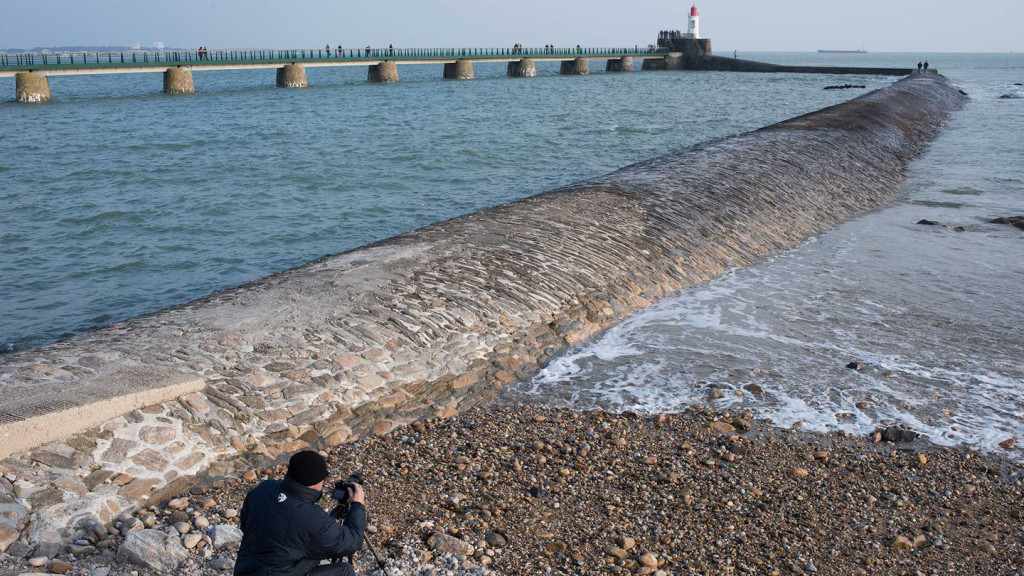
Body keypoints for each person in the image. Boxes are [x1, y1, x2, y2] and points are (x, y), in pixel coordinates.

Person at [234, 451, 367, 576]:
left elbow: (245, 525)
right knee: (344, 570)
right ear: (316, 482)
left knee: (308, 552)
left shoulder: (264, 489)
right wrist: (357, 505)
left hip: (245, 570)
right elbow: (352, 541)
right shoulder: (313, 520)